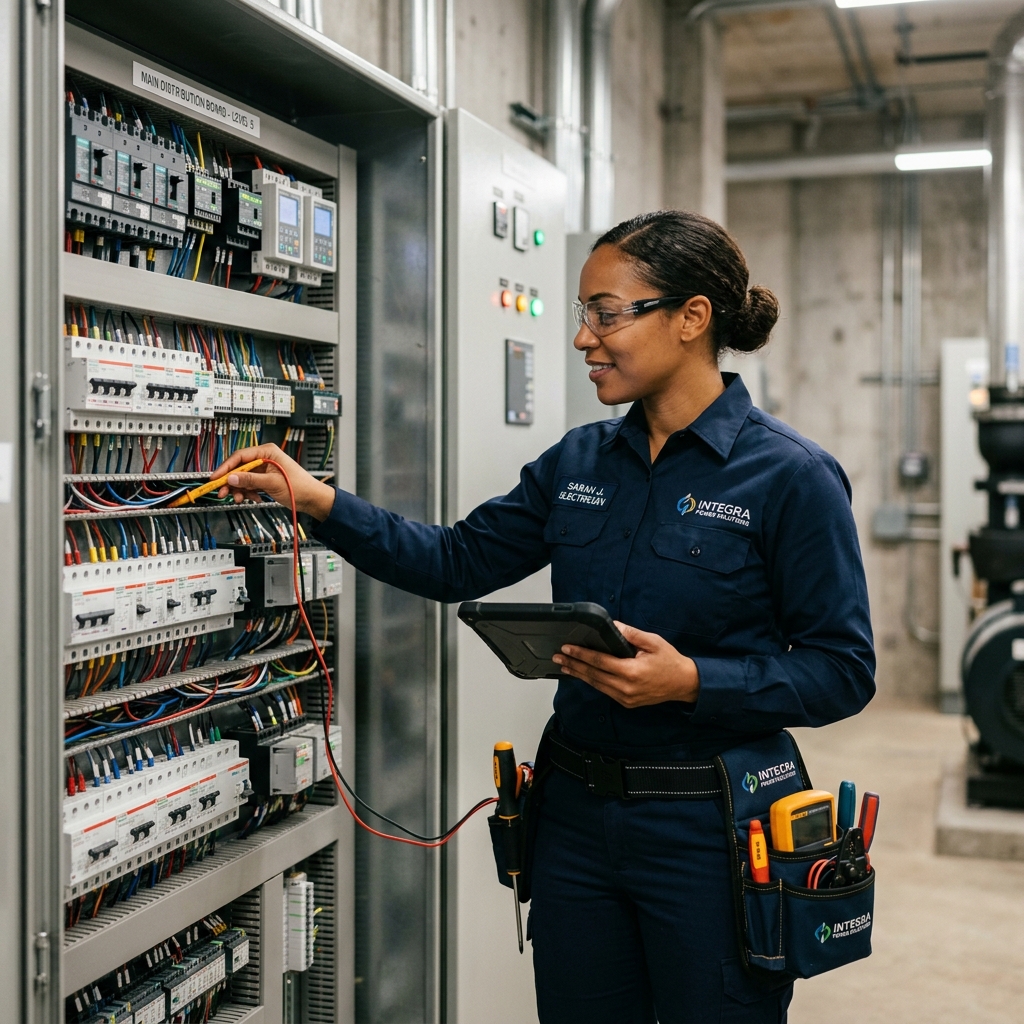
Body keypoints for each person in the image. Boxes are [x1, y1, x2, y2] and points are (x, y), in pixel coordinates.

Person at [213, 210, 875, 1024]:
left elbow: (842, 669)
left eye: (606, 312)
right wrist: (317, 501)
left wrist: (691, 682)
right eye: (582, 315)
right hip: (575, 822)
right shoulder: (578, 462)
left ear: (692, 317)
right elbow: (455, 560)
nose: (584, 338)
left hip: (709, 831)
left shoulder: (792, 478)